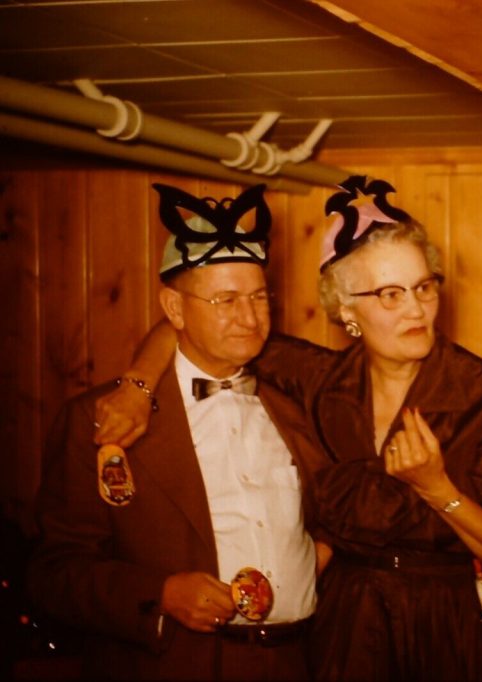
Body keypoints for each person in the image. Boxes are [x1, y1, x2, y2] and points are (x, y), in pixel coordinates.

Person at [93, 176, 482, 681]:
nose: (416, 309)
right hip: (346, 628)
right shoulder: (321, 382)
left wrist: (438, 490)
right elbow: (199, 326)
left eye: (424, 287)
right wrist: (138, 386)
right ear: (346, 310)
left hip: (452, 631)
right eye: (389, 294)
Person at [30, 183, 330, 680]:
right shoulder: (102, 417)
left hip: (294, 661)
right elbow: (53, 573)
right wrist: (161, 594)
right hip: (174, 664)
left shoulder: (296, 404)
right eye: (225, 300)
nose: (249, 318)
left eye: (259, 297)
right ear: (173, 310)